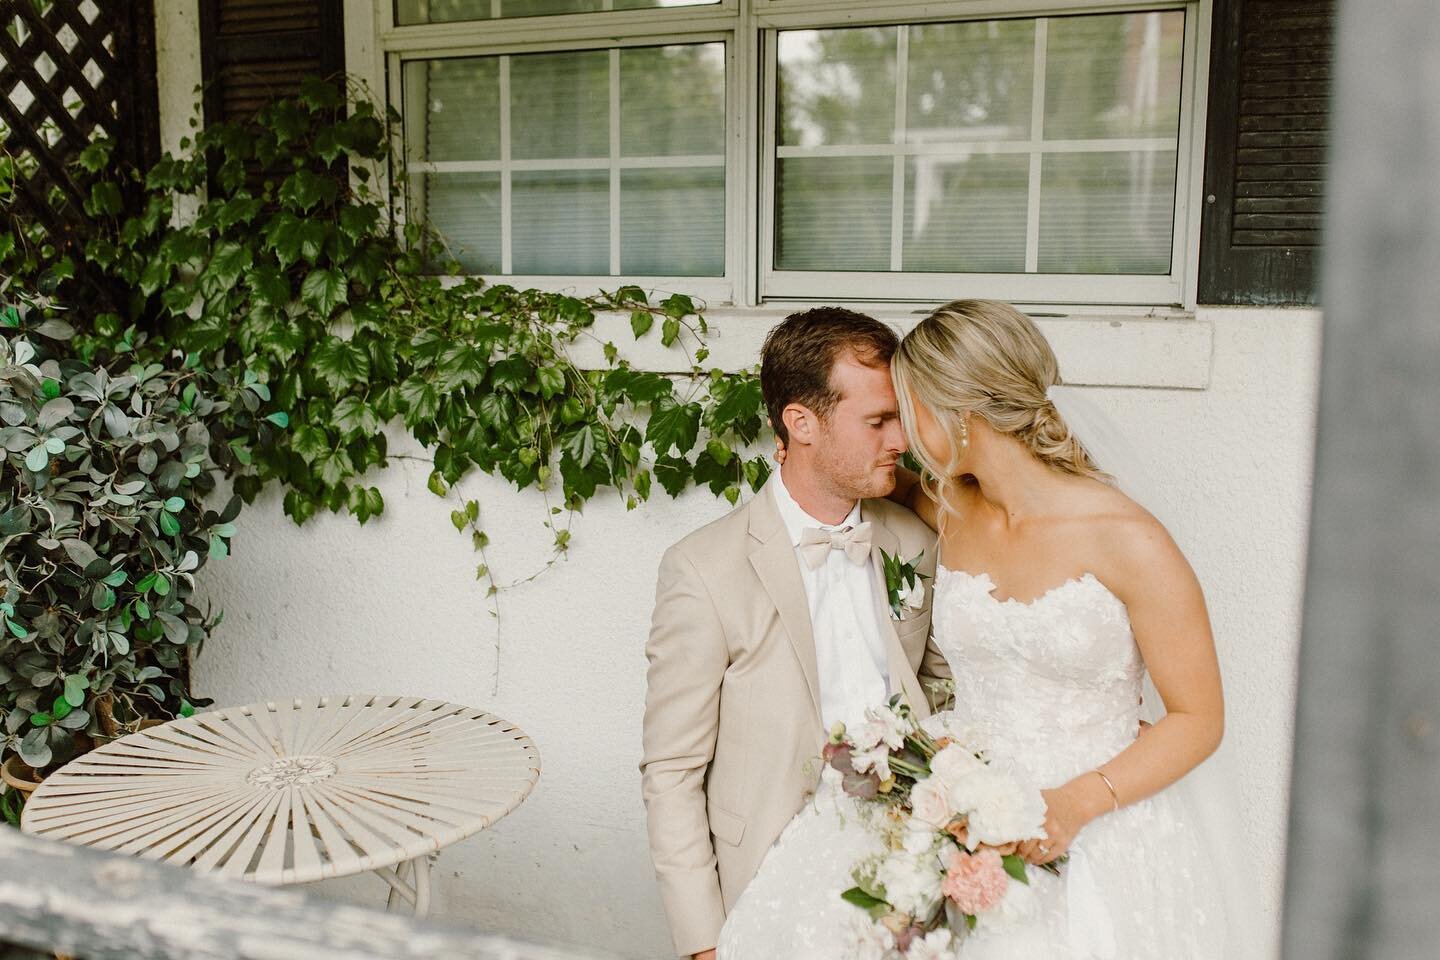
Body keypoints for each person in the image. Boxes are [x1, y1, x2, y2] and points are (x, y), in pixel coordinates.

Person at [718, 299, 1237, 959]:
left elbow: (1199, 718)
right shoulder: (949, 506)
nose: (901, 436)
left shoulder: (1130, 541)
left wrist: (1077, 804)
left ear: (957, 413)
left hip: (1095, 821)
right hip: (957, 799)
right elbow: (857, 481)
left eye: (907, 412)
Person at [641, 307, 951, 959]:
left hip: (902, 875)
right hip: (766, 882)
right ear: (800, 423)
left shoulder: (917, 545)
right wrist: (703, 944)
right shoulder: (702, 570)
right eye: (877, 421)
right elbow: (672, 771)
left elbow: (939, 689)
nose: (901, 439)